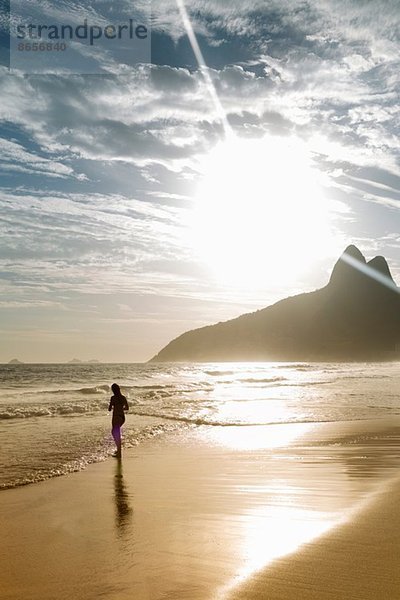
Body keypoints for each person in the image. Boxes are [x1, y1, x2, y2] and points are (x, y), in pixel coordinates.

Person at [108, 383, 129, 458]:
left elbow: (109, 409)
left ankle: (119, 452)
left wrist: (113, 406)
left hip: (116, 417)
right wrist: (120, 408)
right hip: (122, 417)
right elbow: (127, 408)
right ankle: (118, 451)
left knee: (115, 433)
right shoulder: (123, 397)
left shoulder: (113, 398)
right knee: (116, 433)